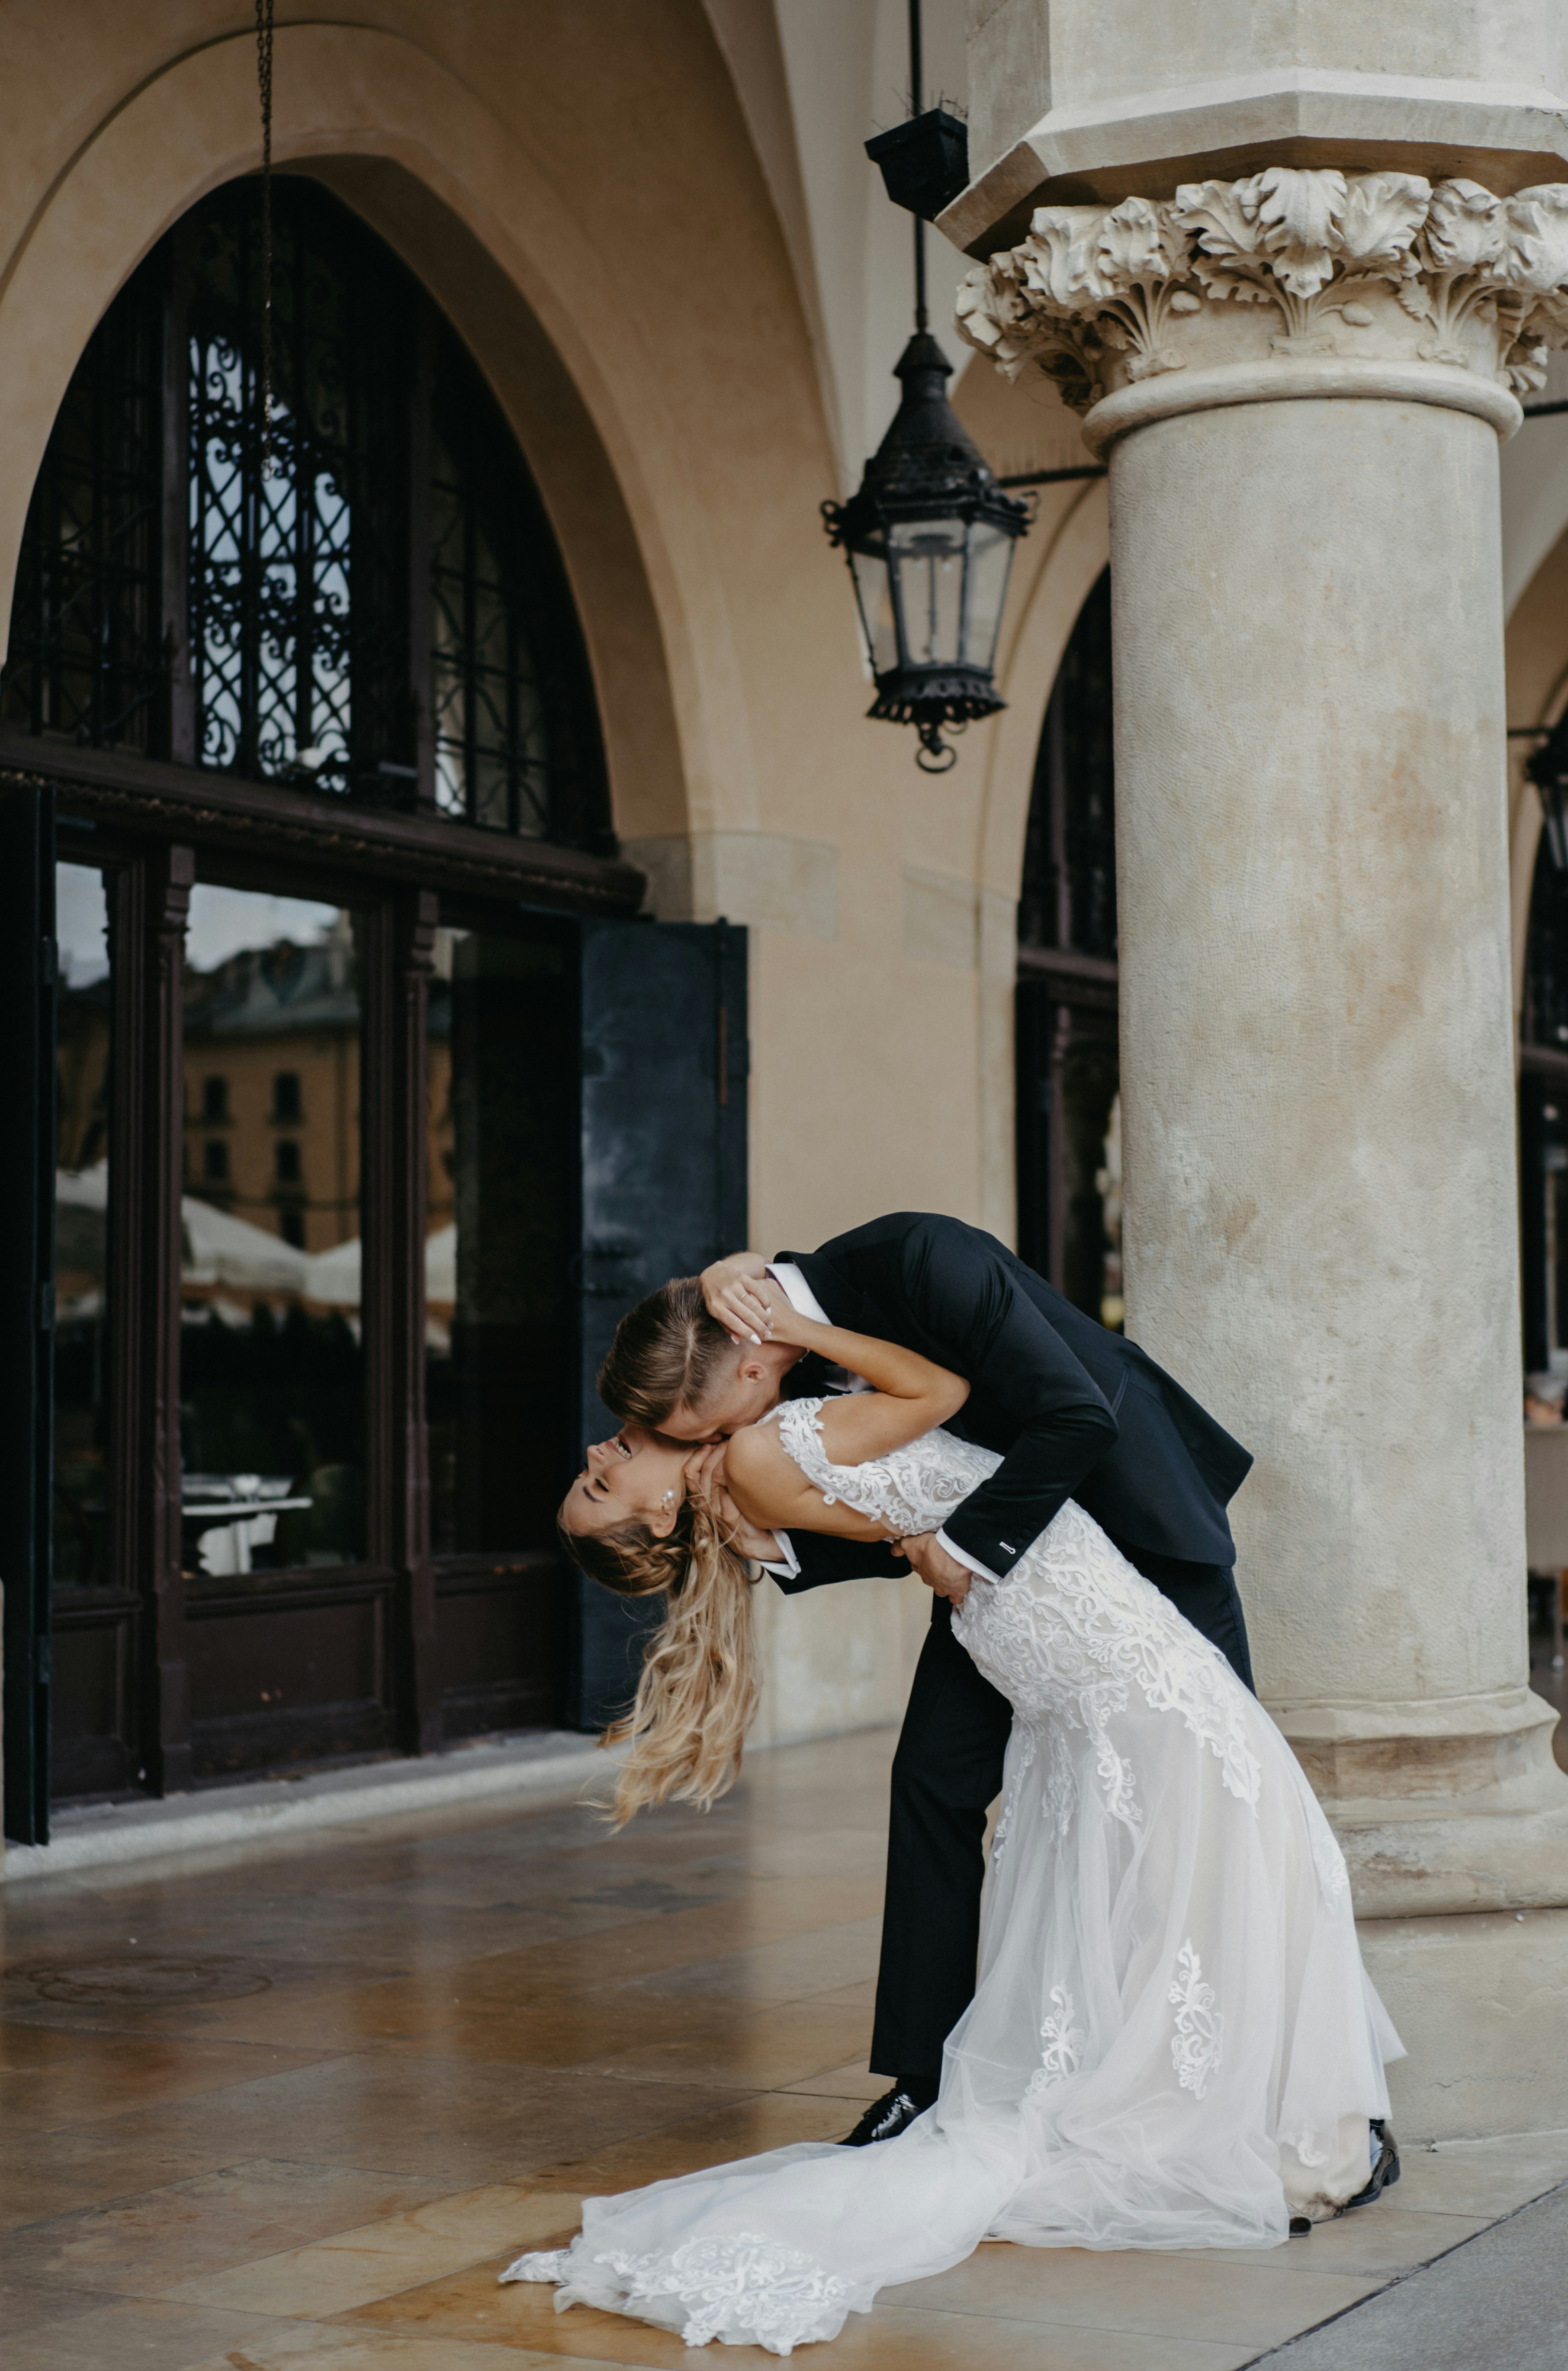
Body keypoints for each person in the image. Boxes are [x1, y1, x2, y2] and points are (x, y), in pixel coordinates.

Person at [505, 1285, 1403, 2353]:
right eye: (600, 1486)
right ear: (657, 1519)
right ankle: (1241, 2107)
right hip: (1063, 1608)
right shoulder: (747, 1464)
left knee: (1176, 1832)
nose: (600, 1455)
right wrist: (801, 1333)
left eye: (590, 1468)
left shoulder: (740, 1481)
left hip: (1034, 1619)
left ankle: (1208, 2091)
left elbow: (900, 1514)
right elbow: (940, 1397)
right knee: (1225, 1812)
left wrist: (929, 1532)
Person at [599, 1212, 1259, 2147]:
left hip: (1137, 1517)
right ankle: (926, 2080)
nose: (711, 1452)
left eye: (704, 1432)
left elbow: (1075, 1418)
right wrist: (782, 1546)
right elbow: (908, 1488)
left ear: (750, 1365)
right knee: (932, 1782)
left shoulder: (919, 1262)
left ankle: (1307, 2093)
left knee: (1228, 1789)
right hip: (1013, 1581)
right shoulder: (783, 1363)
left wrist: (957, 1551)